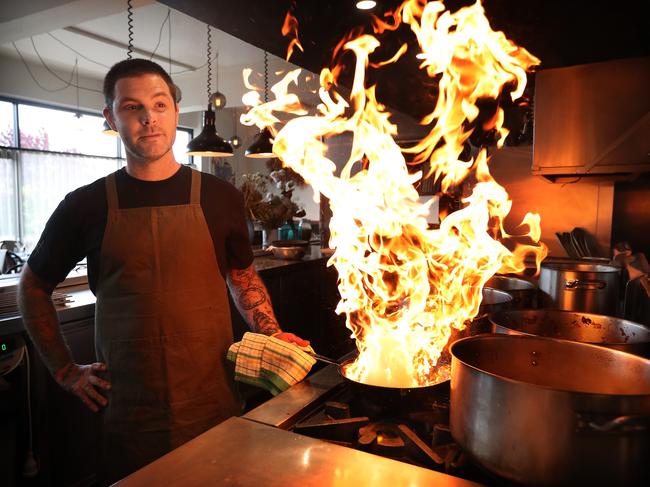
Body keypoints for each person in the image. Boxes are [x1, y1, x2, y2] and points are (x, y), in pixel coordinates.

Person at [18, 58, 308, 485]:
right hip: (129, 412)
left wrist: (271, 332)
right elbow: (33, 286)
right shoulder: (84, 205)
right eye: (132, 107)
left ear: (175, 108)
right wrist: (65, 372)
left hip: (212, 400)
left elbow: (242, 277)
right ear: (111, 117)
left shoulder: (220, 197)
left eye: (158, 104)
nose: (148, 118)